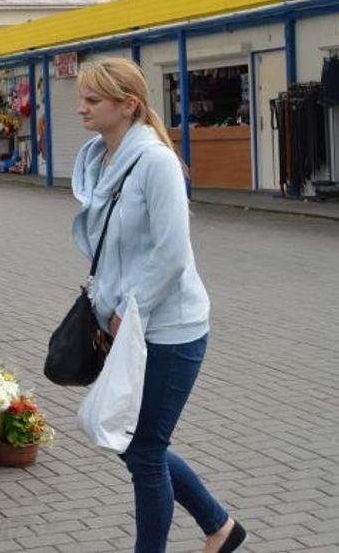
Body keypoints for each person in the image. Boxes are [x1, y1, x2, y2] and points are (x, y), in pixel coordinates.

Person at [71, 58, 245, 553]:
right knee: (139, 446)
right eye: (82, 97)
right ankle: (220, 528)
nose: (81, 107)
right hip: (127, 325)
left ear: (128, 106)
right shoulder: (101, 160)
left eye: (92, 100)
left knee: (144, 450)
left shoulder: (156, 163)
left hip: (171, 328)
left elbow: (172, 252)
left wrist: (131, 307)